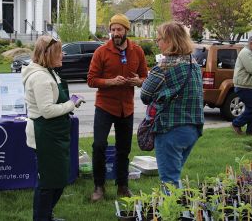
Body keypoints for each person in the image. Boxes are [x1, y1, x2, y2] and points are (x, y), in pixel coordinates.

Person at [22, 35, 85, 221]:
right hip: (45, 135)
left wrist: (70, 102)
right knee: (48, 183)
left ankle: (46, 215)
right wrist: (71, 104)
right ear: (48, 54)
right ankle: (41, 218)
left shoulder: (49, 72)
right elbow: (47, 111)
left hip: (54, 133)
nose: (63, 56)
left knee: (57, 180)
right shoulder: (40, 77)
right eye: (59, 52)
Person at [87, 13, 148, 202]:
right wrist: (111, 82)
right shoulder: (101, 52)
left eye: (119, 29)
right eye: (112, 29)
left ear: (126, 31)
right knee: (99, 146)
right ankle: (99, 186)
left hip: (126, 108)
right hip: (105, 106)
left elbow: (146, 77)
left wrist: (138, 81)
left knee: (124, 149)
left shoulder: (137, 51)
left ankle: (123, 186)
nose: (115, 33)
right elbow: (91, 80)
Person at [137, 21, 204, 187]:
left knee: (168, 182)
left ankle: (172, 213)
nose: (157, 43)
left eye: (158, 39)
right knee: (174, 176)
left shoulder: (165, 66)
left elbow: (145, 95)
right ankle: (180, 210)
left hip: (170, 128)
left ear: (169, 41)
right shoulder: (193, 64)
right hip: (193, 129)